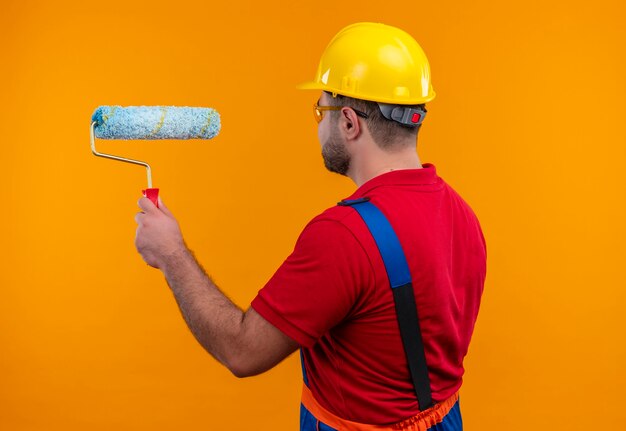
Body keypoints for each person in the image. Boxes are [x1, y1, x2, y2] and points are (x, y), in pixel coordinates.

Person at [135, 22, 486, 431]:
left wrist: (171, 253)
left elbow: (242, 351)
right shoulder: (462, 213)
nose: (318, 124)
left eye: (321, 110)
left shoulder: (344, 236)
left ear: (350, 122)